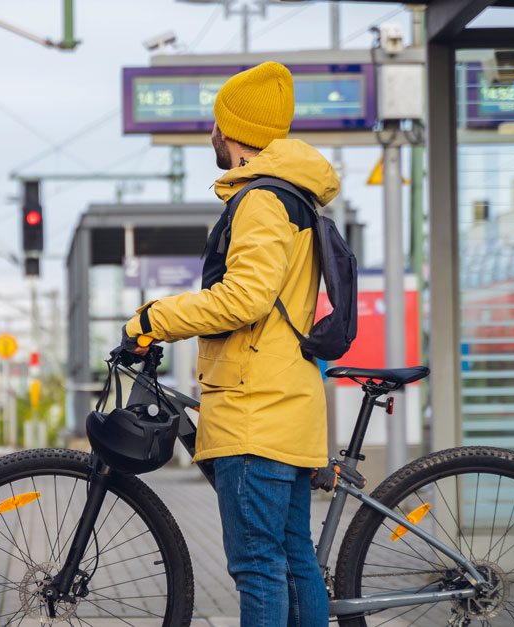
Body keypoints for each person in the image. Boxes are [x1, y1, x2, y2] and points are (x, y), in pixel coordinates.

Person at [120, 61, 338, 627]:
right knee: (294, 562)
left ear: (231, 131)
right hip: (284, 405)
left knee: (260, 567)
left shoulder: (262, 200)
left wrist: (153, 319)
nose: (210, 135)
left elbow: (245, 299)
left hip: (254, 411)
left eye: (216, 125)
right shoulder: (295, 198)